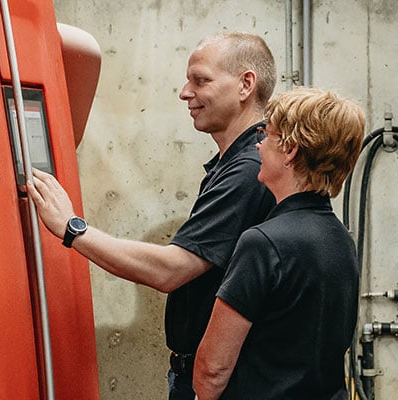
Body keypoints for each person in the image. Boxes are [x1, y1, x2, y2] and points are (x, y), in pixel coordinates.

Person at [27, 32, 277, 400]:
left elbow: (170, 270)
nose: (184, 92)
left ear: (245, 85)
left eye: (200, 80)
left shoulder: (248, 170)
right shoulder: (235, 164)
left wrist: (71, 227)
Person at [192, 87, 364, 400]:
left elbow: (212, 370)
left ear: (290, 151)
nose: (258, 145)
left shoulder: (263, 243)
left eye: (267, 135)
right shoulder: (341, 240)